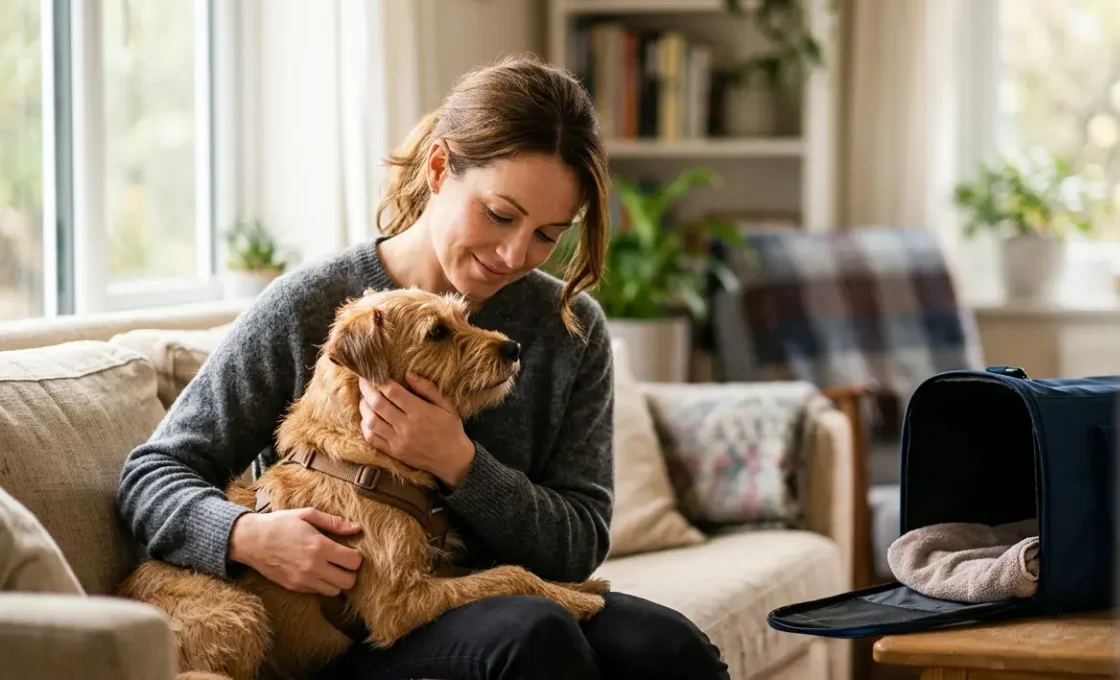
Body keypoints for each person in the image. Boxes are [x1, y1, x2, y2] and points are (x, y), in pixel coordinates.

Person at [116, 54, 730, 680]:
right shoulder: (311, 307)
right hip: (353, 629)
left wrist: (458, 462)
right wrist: (246, 536)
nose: (514, 254)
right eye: (499, 215)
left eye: (548, 234)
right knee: (534, 635)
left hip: (479, 593)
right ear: (438, 168)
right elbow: (151, 474)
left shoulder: (570, 330)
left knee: (671, 647)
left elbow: (578, 543)